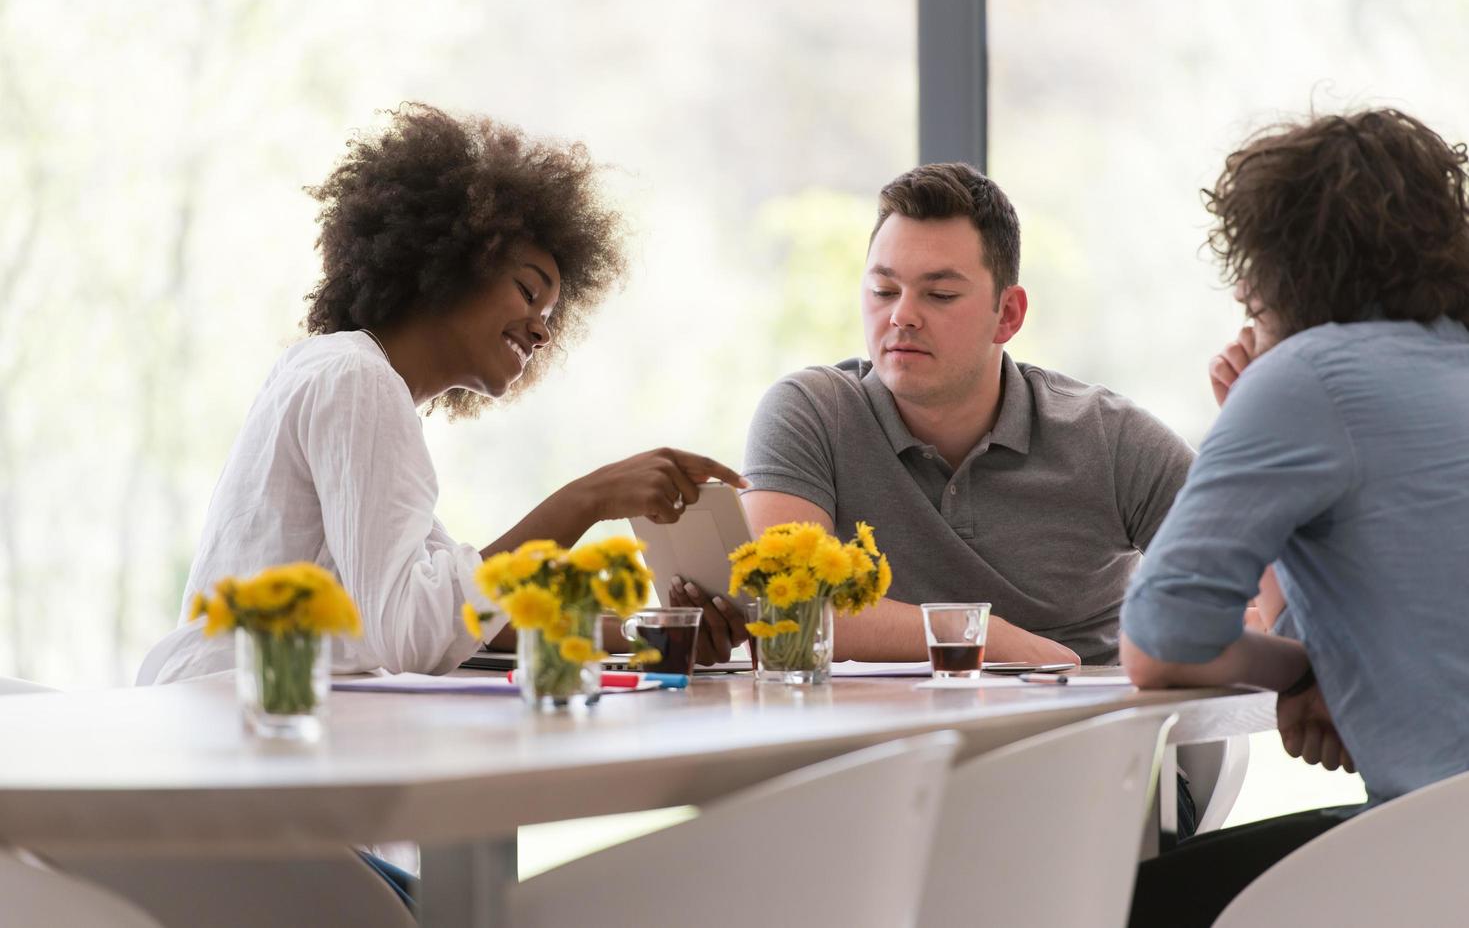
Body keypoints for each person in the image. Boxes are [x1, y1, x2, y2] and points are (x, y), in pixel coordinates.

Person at [137, 103, 744, 687]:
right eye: (528, 292)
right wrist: (587, 499)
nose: (542, 329)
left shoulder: (343, 375)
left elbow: (462, 618)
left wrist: (653, 633)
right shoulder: (356, 379)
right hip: (242, 720)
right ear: (452, 262)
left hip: (245, 713)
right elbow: (409, 633)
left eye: (552, 316)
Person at [1122, 108, 1469, 928]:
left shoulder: (1310, 376)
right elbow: (1374, 580)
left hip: (1437, 846)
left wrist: (1297, 671)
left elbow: (1158, 642)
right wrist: (1318, 662)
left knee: (1112, 900)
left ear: (1283, 264)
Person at [674, 162, 1196, 666]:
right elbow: (789, 608)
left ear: (1007, 314)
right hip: (879, 749)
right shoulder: (811, 412)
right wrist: (986, 636)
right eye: (883, 291)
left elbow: (1250, 596)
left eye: (939, 294)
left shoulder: (1110, 437)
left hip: (1082, 742)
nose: (901, 315)